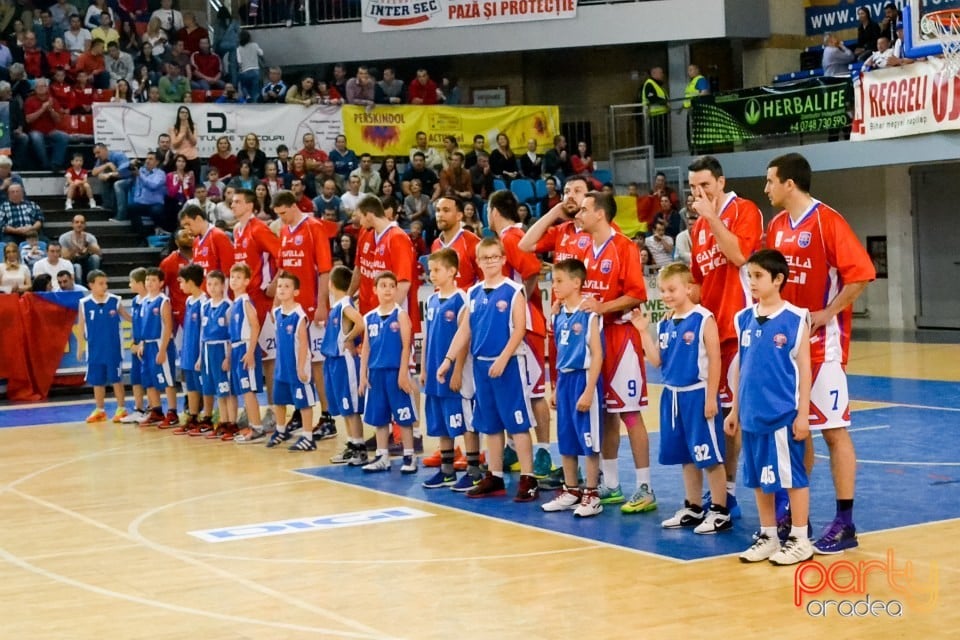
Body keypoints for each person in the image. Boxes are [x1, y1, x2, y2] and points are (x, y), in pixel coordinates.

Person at [763, 152, 875, 554]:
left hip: (823, 347)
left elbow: (861, 273)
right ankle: (799, 518)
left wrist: (828, 312)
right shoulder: (775, 226)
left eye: (771, 181)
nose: (766, 188)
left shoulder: (827, 220)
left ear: (789, 183)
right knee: (798, 430)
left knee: (832, 431)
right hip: (786, 347)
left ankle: (845, 522)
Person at [687, 155, 764, 517]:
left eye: (704, 185)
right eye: (692, 187)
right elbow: (698, 284)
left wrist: (713, 217)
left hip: (742, 329)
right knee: (719, 417)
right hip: (713, 334)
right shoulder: (697, 228)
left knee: (742, 416)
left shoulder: (745, 210)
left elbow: (738, 256)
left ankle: (753, 494)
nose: (698, 192)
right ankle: (724, 492)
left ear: (720, 182)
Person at [727, 249, 814, 566]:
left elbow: (805, 370)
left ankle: (800, 538)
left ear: (778, 279)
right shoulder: (743, 318)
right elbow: (741, 368)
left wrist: (803, 414)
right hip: (750, 414)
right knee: (758, 479)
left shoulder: (795, 318)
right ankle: (768, 535)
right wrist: (734, 410)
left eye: (759, 276)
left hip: (782, 415)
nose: (752, 281)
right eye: (750, 275)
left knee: (792, 478)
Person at [436, 237, 540, 501]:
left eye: (495, 256)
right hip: (481, 366)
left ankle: (529, 478)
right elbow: (466, 329)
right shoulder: (473, 292)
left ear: (504, 259)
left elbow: (519, 329)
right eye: (485, 257)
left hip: (508, 364)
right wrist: (448, 360)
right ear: (478, 261)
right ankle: (494, 476)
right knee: (490, 425)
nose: (491, 261)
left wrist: (504, 358)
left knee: (517, 423)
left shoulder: (514, 290)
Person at [571, 191, 655, 513]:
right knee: (604, 414)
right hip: (596, 338)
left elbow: (637, 294)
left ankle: (645, 487)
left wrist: (602, 306)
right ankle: (611, 483)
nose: (578, 214)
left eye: (583, 210)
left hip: (622, 338)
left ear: (600, 215)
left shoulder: (624, 247)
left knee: (629, 412)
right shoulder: (583, 249)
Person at [631, 262, 729, 532]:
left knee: (709, 457)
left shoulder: (703, 318)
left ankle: (720, 511)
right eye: (662, 290)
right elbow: (656, 361)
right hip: (671, 396)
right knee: (687, 456)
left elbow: (716, 359)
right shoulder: (664, 322)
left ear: (688, 288)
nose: (666, 295)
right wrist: (642, 331)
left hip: (697, 395)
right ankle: (694, 507)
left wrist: (712, 397)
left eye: (671, 289)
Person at [487, 189, 554, 478]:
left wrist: (517, 306)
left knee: (536, 392)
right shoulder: (509, 238)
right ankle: (515, 447)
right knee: (517, 390)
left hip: (527, 327)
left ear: (494, 211)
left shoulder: (511, 238)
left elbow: (531, 270)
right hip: (520, 327)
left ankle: (543, 453)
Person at [539, 258, 604, 517]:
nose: (554, 285)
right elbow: (557, 354)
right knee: (566, 438)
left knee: (588, 440)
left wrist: (589, 390)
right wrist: (555, 387)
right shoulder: (558, 314)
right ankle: (572, 490)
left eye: (559, 281)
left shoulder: (589, 314)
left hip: (583, 378)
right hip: (565, 380)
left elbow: (597, 355)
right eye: (553, 281)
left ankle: (592, 494)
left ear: (576, 283)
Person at [270, 190, 335, 436]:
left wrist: (321, 305)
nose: (282, 219)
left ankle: (327, 417)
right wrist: (276, 302)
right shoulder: (285, 231)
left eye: (283, 213)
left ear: (293, 206)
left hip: (311, 308)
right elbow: (283, 273)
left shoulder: (314, 227)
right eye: (277, 215)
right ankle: (300, 412)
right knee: (290, 362)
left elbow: (325, 271)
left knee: (317, 365)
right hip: (289, 310)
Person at [419, 249, 472, 488]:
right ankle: (447, 470)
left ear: (452, 271)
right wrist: (423, 368)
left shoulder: (462, 300)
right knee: (441, 422)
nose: (432, 275)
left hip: (453, 374)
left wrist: (458, 370)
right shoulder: (431, 299)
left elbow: (465, 338)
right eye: (430, 270)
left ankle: (474, 470)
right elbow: (428, 336)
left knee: (464, 422)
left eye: (437, 270)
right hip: (433, 372)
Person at [356, 271, 418, 471]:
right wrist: (362, 376)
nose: (388, 289)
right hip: (376, 373)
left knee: (404, 416)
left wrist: (403, 373)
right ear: (374, 290)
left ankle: (409, 455)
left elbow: (406, 345)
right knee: (379, 417)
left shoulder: (400, 314)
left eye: (392, 285)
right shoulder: (369, 317)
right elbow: (366, 348)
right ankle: (382, 455)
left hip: (395, 372)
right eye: (383, 285)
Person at [265, 271, 320, 449]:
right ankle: (281, 430)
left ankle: (308, 437)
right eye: (279, 286)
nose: (281, 289)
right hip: (282, 367)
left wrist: (301, 368)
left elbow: (303, 344)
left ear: (296, 292)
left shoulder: (299, 316)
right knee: (279, 400)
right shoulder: (277, 312)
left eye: (286, 286)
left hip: (297, 367)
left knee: (303, 402)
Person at [80, 269, 130, 423]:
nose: (105, 286)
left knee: (116, 379)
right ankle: (100, 410)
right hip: (94, 350)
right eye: (101, 283)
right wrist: (80, 348)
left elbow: (129, 318)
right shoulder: (84, 303)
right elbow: (81, 326)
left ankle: (121, 408)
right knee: (97, 381)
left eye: (106, 283)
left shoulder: (115, 300)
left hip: (113, 348)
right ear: (91, 285)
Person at [135, 267, 180, 428]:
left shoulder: (163, 301)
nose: (149, 283)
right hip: (147, 344)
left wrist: (162, 351)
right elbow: (142, 326)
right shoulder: (144, 301)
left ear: (161, 283)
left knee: (167, 380)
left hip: (161, 344)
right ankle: (157, 411)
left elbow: (168, 327)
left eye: (153, 280)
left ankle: (173, 412)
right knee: (149, 380)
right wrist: (141, 343)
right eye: (147, 280)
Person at [226, 263, 265, 443]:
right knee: (243, 390)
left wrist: (250, 352)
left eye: (238, 277)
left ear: (247, 281)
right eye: (232, 277)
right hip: (236, 349)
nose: (234, 280)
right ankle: (253, 425)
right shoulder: (233, 304)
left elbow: (255, 325)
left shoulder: (245, 301)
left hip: (245, 347)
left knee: (249, 390)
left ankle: (257, 428)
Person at [175, 263, 205, 435]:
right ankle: (193, 417)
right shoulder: (189, 300)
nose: (180, 286)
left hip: (198, 352)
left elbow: (203, 331)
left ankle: (206, 416)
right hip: (188, 351)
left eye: (181, 282)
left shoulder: (204, 302)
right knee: (191, 386)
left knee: (204, 387)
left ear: (191, 282)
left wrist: (201, 355)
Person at [121, 267, 149, 424]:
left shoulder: (150, 301)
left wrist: (142, 343)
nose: (129, 284)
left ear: (139, 283)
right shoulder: (135, 301)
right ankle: (138, 409)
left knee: (149, 380)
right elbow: (136, 322)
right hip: (136, 344)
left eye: (131, 281)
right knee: (136, 378)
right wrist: (134, 342)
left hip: (146, 346)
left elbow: (149, 325)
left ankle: (152, 408)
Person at [24, 78, 69, 171]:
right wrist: (42, 109)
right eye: (39, 86)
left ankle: (56, 163)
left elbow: (58, 120)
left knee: (64, 137)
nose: (41, 88)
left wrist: (51, 110)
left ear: (47, 88)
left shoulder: (53, 100)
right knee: (36, 138)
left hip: (50, 130)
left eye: (43, 86)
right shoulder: (29, 100)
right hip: (35, 130)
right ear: (35, 89)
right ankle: (45, 164)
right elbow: (28, 119)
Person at [180, 203, 234, 278]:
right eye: (184, 226)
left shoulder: (218, 236)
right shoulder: (196, 241)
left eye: (188, 224)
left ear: (198, 219)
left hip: (217, 288)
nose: (187, 229)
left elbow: (228, 270)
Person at [128, 151, 166, 241]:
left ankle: (158, 229)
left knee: (157, 211)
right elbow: (124, 171)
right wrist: (130, 164)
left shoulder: (160, 174)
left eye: (151, 159)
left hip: (155, 204)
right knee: (131, 208)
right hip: (141, 203)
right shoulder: (140, 170)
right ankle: (141, 235)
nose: (147, 161)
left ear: (157, 162)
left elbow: (153, 185)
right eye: (147, 159)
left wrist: (140, 175)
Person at [59, 214, 102, 282]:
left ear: (85, 225)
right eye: (77, 222)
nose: (79, 224)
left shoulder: (90, 237)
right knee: (77, 267)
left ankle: (94, 281)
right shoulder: (64, 237)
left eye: (82, 222)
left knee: (95, 258)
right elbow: (64, 257)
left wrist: (87, 245)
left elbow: (99, 253)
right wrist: (74, 250)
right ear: (72, 224)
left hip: (86, 261)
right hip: (72, 262)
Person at [235, 29, 262, 101]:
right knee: (255, 91)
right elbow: (261, 53)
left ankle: (247, 96)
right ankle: (254, 102)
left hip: (245, 71)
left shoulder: (238, 49)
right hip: (255, 70)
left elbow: (239, 61)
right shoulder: (255, 45)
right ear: (249, 37)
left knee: (243, 86)